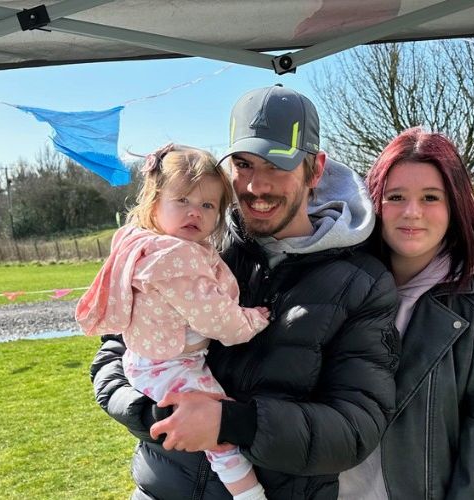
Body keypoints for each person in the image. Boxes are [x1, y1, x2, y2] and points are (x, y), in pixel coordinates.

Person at [90, 85, 399, 499]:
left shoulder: (361, 283)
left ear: (315, 170)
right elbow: (114, 354)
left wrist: (231, 424)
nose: (256, 186)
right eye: (244, 164)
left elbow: (355, 427)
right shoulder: (192, 246)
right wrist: (161, 414)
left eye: (277, 166)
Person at [338, 127, 474, 498]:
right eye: (395, 197)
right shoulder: (340, 281)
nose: (411, 212)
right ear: (375, 202)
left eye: (430, 197)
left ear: (455, 204)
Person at [77, 144, 272, 500]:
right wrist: (254, 319)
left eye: (207, 205)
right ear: (154, 203)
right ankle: (249, 494)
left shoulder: (147, 244)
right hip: (170, 366)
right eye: (182, 200)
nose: (194, 212)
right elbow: (219, 321)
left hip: (146, 361)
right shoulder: (174, 259)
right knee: (218, 426)